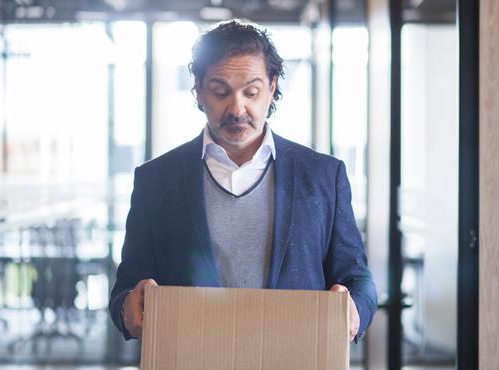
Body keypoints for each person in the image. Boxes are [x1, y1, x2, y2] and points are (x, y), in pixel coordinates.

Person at [109, 19, 377, 343]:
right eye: (220, 92)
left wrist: (355, 309)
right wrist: (128, 306)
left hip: (296, 361)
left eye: (251, 92)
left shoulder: (323, 176)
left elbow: (358, 279)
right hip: (190, 363)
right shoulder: (156, 179)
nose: (237, 109)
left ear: (272, 86)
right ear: (198, 90)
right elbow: (127, 287)